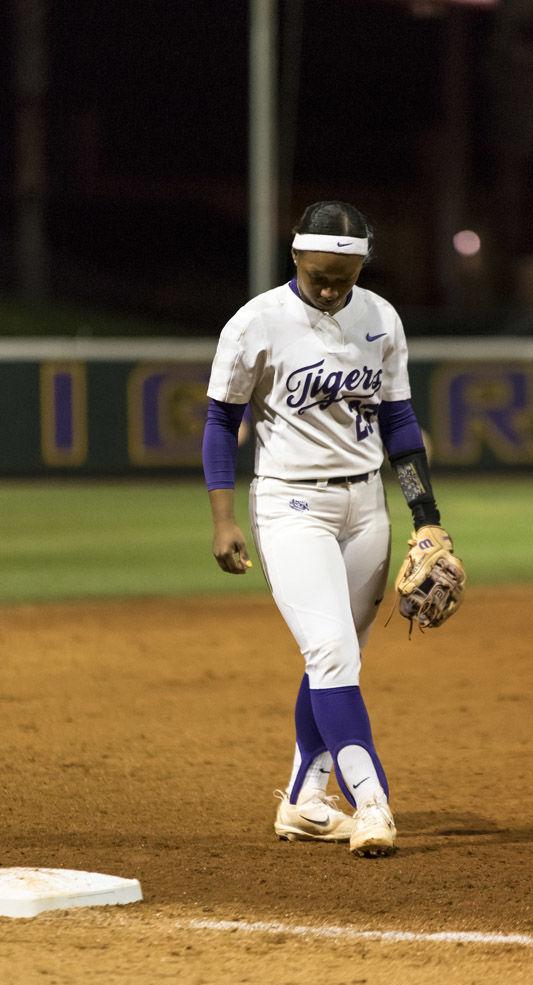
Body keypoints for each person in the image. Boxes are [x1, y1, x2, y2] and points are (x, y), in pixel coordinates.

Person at [202, 200, 455, 857]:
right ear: (295, 258)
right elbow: (218, 422)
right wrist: (223, 516)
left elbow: (401, 424)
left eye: (344, 276)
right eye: (320, 275)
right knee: (333, 653)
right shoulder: (257, 323)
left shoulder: (380, 318)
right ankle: (372, 805)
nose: (331, 288)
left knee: (337, 657)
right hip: (291, 506)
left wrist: (426, 518)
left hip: (366, 505)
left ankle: (304, 803)